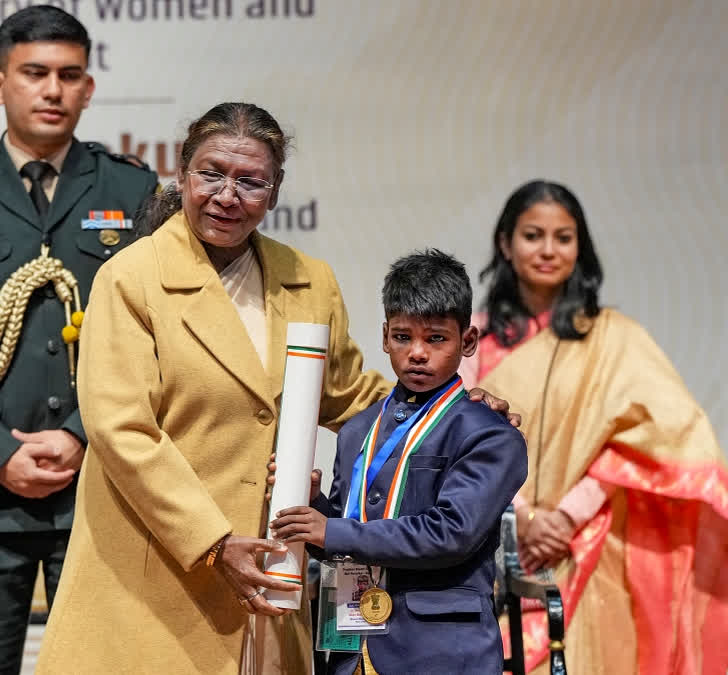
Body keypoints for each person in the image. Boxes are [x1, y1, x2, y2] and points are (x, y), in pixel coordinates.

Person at [33, 102, 516, 675]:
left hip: (272, 563)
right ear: (183, 174)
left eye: (250, 181)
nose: (226, 196)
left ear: (275, 189)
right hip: (163, 559)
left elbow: (348, 394)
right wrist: (213, 541)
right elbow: (123, 432)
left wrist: (451, 406)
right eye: (211, 173)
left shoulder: (309, 279)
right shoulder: (130, 278)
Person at [0, 6, 158, 674]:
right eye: (34, 73)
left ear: (89, 88)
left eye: (69, 75)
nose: (52, 90)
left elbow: (154, 337)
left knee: (103, 664)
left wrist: (78, 432)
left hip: (103, 483)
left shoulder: (133, 191)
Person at [457, 180, 728, 674]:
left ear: (580, 247)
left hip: (590, 544)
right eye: (533, 235)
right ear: (505, 243)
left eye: (563, 237)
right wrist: (524, 519)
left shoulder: (613, 338)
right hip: (494, 544)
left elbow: (648, 437)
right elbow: (460, 437)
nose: (548, 250)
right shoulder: (476, 337)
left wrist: (564, 518)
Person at [271, 249, 527, 674]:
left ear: (467, 341)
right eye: (404, 337)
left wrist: (332, 529)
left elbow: (451, 533)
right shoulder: (358, 430)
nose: (418, 353)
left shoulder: (490, 433)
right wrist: (314, 508)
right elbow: (346, 540)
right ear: (385, 336)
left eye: (436, 338)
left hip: (442, 654)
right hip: (352, 652)